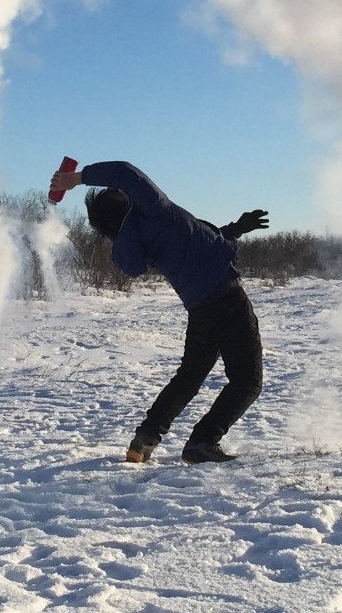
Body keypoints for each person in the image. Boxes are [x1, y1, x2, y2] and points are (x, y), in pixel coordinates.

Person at [50, 160, 269, 464]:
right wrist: (75, 179)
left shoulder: (134, 243)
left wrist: (235, 229)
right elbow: (125, 172)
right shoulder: (156, 211)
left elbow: (195, 243)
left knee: (189, 378)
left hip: (200, 309)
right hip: (227, 299)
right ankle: (203, 441)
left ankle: (145, 439)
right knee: (248, 381)